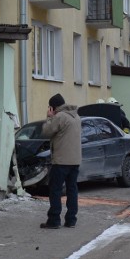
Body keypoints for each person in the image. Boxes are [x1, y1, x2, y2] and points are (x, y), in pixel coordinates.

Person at [40, 93, 82, 229]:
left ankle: (54, 220)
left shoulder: (59, 117)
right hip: (75, 161)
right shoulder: (76, 116)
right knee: (72, 190)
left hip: (61, 161)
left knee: (55, 190)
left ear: (53, 107)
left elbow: (46, 132)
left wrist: (48, 117)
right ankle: (71, 220)